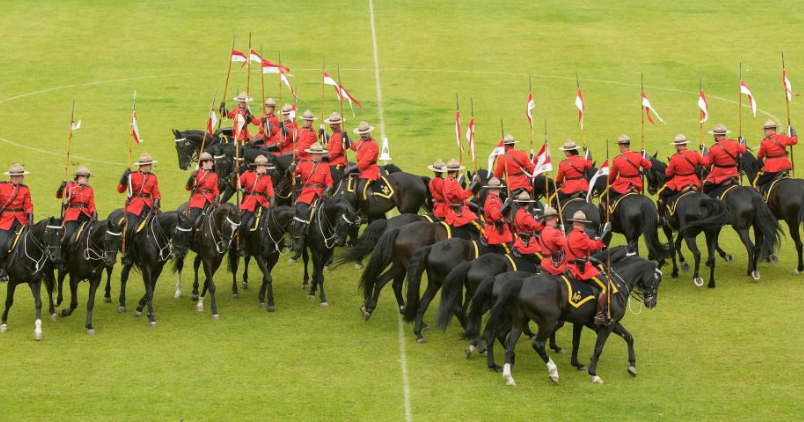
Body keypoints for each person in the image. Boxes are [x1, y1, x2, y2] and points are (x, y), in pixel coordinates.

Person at [565, 211, 611, 326]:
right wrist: (606, 233)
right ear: (583, 224)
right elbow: (596, 246)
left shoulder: (569, 234)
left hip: (570, 266)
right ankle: (600, 315)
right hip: (581, 269)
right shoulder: (581, 236)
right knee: (605, 286)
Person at [117, 153, 161, 266]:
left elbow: (156, 193)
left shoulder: (153, 177)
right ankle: (127, 253)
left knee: (161, 225)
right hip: (134, 206)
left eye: (150, 164)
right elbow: (120, 190)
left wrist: (156, 202)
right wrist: (124, 177)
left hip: (149, 206)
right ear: (143, 165)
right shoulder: (132, 176)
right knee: (129, 228)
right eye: (149, 164)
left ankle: (162, 250)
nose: (151, 166)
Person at [288, 142, 333, 252]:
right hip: (306, 194)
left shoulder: (325, 165)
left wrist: (327, 190)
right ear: (311, 154)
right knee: (299, 212)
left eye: (320, 154)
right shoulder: (303, 164)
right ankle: (297, 239)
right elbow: (293, 173)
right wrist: (291, 168)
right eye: (317, 154)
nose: (319, 156)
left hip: (320, 194)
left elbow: (329, 182)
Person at [56, 166, 97, 263]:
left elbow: (91, 204)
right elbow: (58, 196)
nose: (86, 179)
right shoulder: (70, 186)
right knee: (67, 235)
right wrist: (61, 187)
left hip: (86, 216)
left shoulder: (89, 189)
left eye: (87, 177)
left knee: (92, 236)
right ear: (79, 177)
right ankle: (63, 257)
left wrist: (94, 214)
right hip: (72, 216)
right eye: (84, 177)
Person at [0, 163, 33, 282]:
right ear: (10, 176)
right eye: (13, 175)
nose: (16, 177)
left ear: (22, 177)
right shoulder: (2, 186)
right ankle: (2, 269)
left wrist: (30, 219)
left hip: (21, 220)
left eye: (18, 175)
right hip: (5, 220)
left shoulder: (25, 189)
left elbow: (28, 205)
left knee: (29, 242)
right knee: (2, 244)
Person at [237, 155, 275, 255]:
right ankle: (243, 244)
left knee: (274, 221)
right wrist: (235, 174)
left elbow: (271, 192)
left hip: (262, 203)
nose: (266, 168)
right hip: (249, 203)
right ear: (258, 166)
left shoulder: (267, 178)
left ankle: (273, 242)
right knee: (243, 224)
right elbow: (237, 185)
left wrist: (272, 201)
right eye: (265, 166)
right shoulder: (247, 174)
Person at [658, 134, 703, 218]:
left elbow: (668, 173)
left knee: (660, 194)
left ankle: (662, 218)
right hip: (694, 181)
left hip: (679, 182)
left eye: (675, 145)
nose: (675, 147)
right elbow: (704, 163)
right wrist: (703, 151)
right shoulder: (695, 154)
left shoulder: (674, 158)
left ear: (678, 146)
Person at [346, 121, 380, 218]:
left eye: (365, 133)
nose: (363, 135)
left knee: (361, 190)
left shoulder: (372, 144)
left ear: (368, 132)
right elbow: (356, 147)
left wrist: (351, 169)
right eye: (361, 133)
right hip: (361, 170)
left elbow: (364, 162)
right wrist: (347, 138)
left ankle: (365, 212)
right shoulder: (362, 141)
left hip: (370, 171)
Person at [701, 124, 745, 195]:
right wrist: (742, 142)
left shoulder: (713, 149)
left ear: (717, 136)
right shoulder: (734, 143)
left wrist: (704, 153)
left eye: (714, 135)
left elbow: (707, 164)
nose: (714, 136)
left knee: (704, 187)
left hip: (719, 176)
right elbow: (743, 150)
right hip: (733, 174)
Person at [754, 119, 798, 191]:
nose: (764, 132)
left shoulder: (764, 142)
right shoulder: (782, 137)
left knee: (756, 183)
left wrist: (759, 159)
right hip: (785, 166)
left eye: (765, 130)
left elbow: (759, 156)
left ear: (769, 130)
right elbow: (794, 141)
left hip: (771, 168)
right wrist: (793, 133)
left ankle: (760, 199)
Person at [442, 159, 482, 237]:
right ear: (456, 171)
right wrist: (473, 188)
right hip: (459, 213)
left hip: (453, 209)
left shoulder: (447, 181)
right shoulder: (452, 183)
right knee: (480, 227)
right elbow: (462, 196)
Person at [608, 134, 651, 200]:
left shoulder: (617, 159)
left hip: (622, 186)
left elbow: (612, 176)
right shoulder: (638, 155)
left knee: (605, 196)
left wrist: (609, 181)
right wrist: (646, 157)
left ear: (622, 146)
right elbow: (648, 166)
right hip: (637, 185)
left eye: (619, 145)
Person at [185, 152, 220, 226]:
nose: (212, 164)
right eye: (210, 162)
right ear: (204, 162)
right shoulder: (195, 173)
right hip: (198, 201)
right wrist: (192, 177)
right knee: (191, 220)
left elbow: (215, 190)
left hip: (210, 201)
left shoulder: (214, 175)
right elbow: (188, 188)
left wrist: (217, 198)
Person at [481, 177, 513, 254]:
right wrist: (507, 205)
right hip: (498, 236)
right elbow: (495, 216)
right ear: (499, 188)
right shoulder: (493, 201)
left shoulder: (494, 198)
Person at [512, 191, 543, 264]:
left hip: (519, 240)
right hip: (529, 244)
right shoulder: (526, 216)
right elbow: (537, 227)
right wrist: (544, 220)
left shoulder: (518, 212)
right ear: (528, 203)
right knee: (543, 262)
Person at [536, 207, 566, 276]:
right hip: (553, 266)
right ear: (555, 218)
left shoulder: (542, 231)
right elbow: (566, 246)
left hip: (544, 263)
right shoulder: (555, 232)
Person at [323, 112, 349, 182]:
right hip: (331, 162)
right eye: (331, 124)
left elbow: (335, 152)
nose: (331, 126)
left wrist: (323, 157)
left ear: (338, 124)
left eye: (334, 124)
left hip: (337, 162)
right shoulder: (333, 134)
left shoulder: (339, 135)